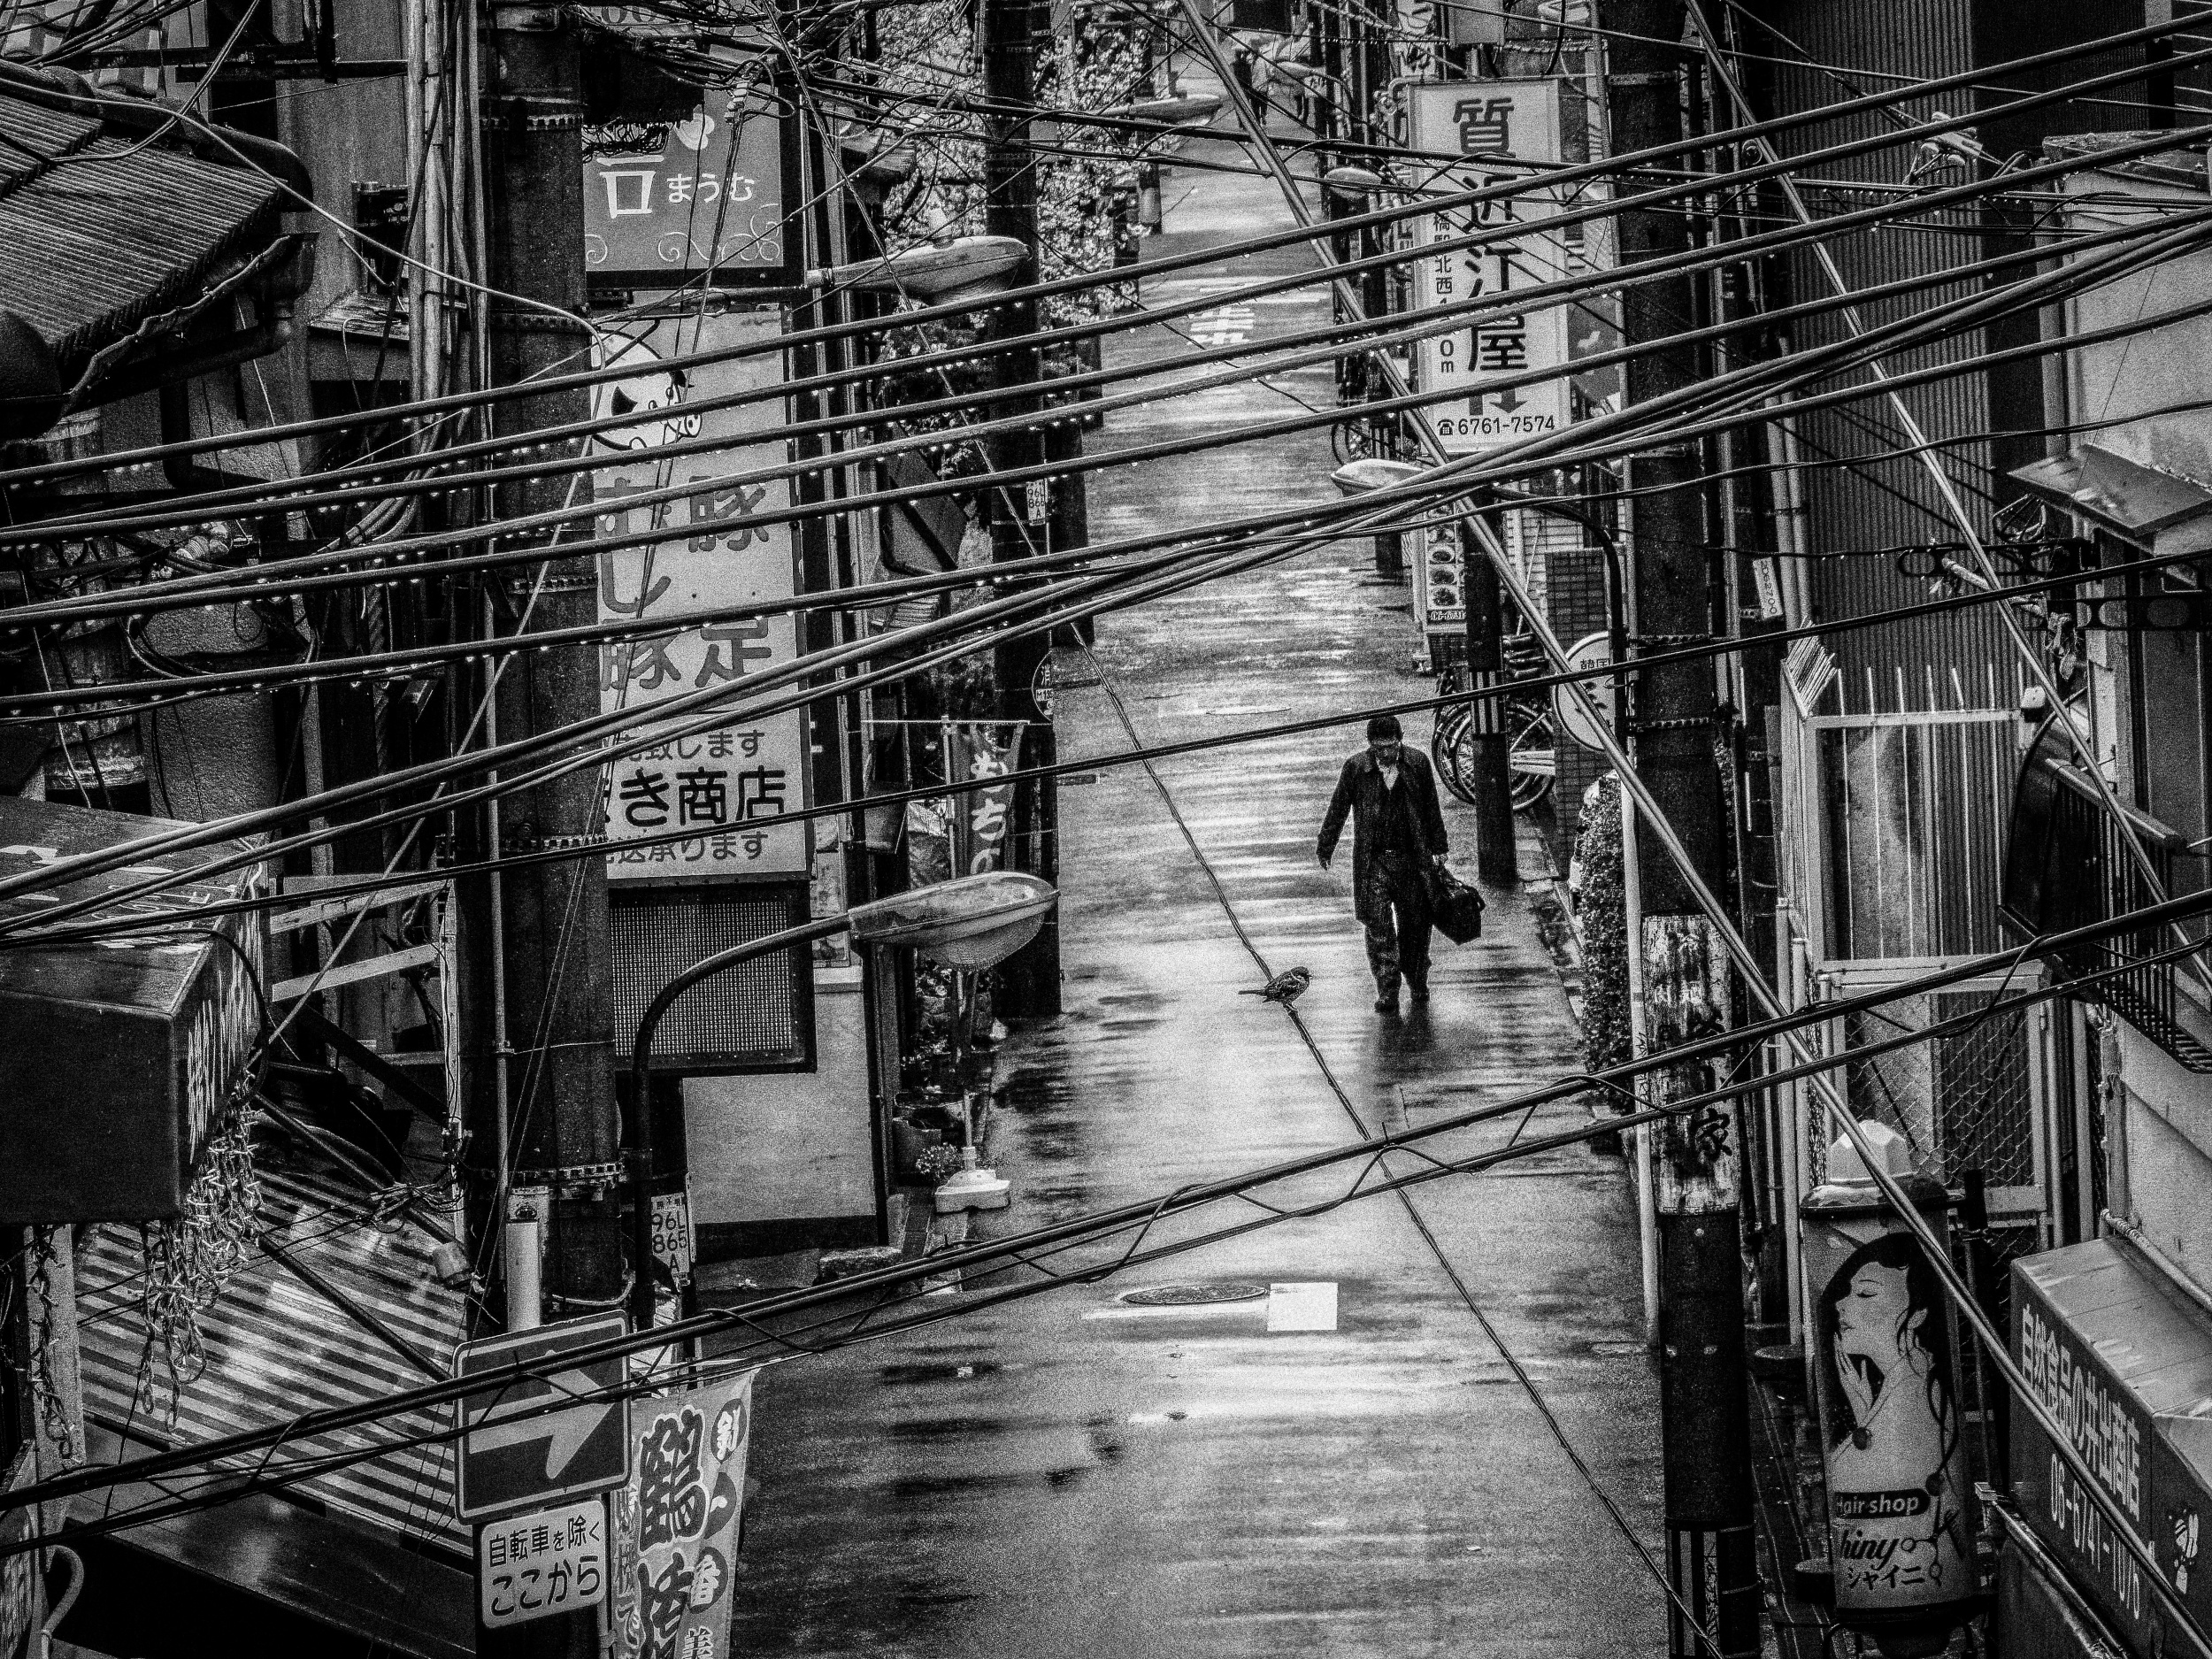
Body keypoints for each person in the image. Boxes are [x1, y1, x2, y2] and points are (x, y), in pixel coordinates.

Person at [1317, 714, 1448, 1013]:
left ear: (1400, 742)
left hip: (1412, 859)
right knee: (1378, 927)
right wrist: (1326, 843)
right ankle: (1388, 989)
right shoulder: (1356, 768)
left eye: (1391, 747)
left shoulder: (1417, 763)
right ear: (1370, 746)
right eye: (1379, 748)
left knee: (1416, 926)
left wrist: (1439, 847)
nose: (1386, 753)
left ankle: (1417, 980)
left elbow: (1431, 807)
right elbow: (1338, 806)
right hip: (1373, 860)